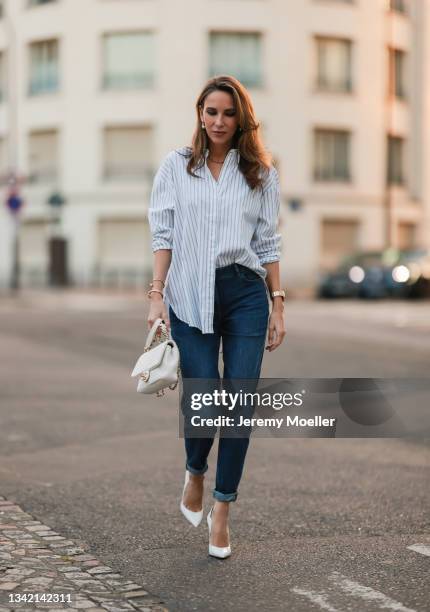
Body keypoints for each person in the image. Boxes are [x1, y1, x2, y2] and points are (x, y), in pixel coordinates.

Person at [147, 75, 286, 559]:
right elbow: (162, 233)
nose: (219, 121)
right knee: (203, 397)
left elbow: (268, 242)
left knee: (239, 404)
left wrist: (278, 303)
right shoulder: (176, 167)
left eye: (228, 113)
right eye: (211, 112)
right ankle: (195, 470)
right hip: (189, 292)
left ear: (241, 118)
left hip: (245, 291)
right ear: (199, 114)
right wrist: (156, 294)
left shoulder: (261, 173)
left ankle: (222, 508)